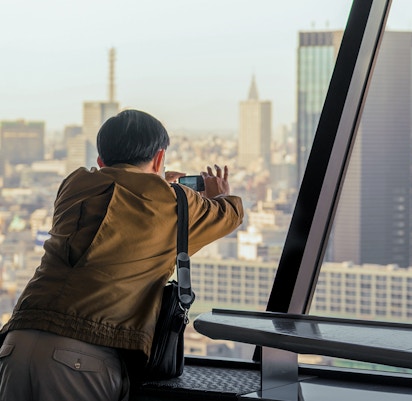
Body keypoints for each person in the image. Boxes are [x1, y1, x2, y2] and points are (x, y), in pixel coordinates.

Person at [0, 109, 244, 400]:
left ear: (101, 160)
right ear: (158, 158)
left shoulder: (74, 185)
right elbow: (229, 214)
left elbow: (119, 195)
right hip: (84, 357)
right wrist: (218, 194)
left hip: (16, 345)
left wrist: (161, 184)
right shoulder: (174, 202)